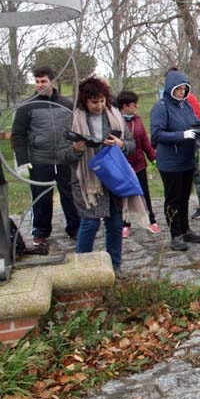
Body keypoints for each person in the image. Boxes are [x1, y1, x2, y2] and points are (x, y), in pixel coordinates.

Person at [63, 76, 137, 275]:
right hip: (87, 181)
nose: (99, 106)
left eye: (102, 101)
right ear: (85, 101)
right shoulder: (73, 120)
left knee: (115, 223)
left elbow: (131, 145)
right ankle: (82, 269)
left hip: (114, 177)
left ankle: (114, 267)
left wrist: (121, 145)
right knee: (90, 223)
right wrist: (76, 149)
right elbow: (62, 155)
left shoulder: (115, 116)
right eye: (94, 102)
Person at [11, 66, 79, 246]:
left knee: (70, 195)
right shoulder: (27, 106)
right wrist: (22, 161)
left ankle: (75, 228)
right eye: (37, 81)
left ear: (52, 81)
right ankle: (40, 232)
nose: (40, 85)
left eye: (43, 81)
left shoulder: (66, 104)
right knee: (41, 197)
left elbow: (76, 129)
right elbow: (18, 135)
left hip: (64, 158)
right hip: (40, 159)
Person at [151, 69, 200, 251]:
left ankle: (185, 230)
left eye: (184, 89)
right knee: (173, 199)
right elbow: (156, 135)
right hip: (171, 163)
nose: (181, 92)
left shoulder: (186, 105)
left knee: (184, 197)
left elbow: (193, 122)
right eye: (178, 89)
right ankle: (175, 235)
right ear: (170, 88)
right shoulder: (161, 107)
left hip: (187, 159)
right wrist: (181, 135)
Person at [116, 90, 161, 237]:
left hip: (139, 164)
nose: (137, 106)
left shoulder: (138, 120)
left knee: (144, 193)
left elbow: (145, 142)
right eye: (134, 104)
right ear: (124, 106)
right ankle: (125, 223)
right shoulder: (115, 122)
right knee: (124, 195)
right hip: (123, 166)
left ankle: (151, 220)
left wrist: (153, 157)